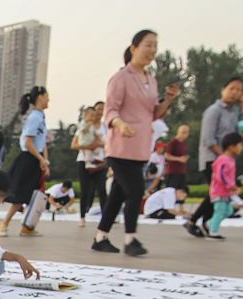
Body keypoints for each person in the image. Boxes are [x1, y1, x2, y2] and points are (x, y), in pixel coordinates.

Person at [92, 30, 179, 256]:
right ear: (134, 48)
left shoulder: (151, 80)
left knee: (118, 195)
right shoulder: (120, 78)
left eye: (155, 46)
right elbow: (110, 110)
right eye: (147, 45)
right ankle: (131, 239)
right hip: (120, 148)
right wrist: (120, 124)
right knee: (135, 190)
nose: (152, 50)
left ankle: (100, 237)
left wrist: (169, 99)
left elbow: (153, 114)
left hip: (140, 147)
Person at [186, 77, 243, 238]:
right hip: (212, 158)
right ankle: (194, 221)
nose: (234, 93)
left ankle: (206, 223)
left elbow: (242, 134)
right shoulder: (214, 110)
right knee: (216, 194)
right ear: (223, 89)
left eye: (239, 90)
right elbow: (208, 139)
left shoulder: (235, 112)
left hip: (224, 160)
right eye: (232, 88)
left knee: (217, 194)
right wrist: (224, 158)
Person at [0, 86, 50, 237]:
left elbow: (42, 142)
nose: (48, 99)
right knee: (21, 195)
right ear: (40, 97)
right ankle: (4, 223)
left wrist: (45, 161)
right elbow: (27, 142)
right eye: (46, 96)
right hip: (29, 159)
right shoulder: (35, 117)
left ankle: (28, 226)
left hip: (36, 158)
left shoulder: (41, 117)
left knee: (36, 195)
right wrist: (41, 159)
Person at [206, 132, 243, 239]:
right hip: (219, 191)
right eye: (240, 145)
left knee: (228, 211)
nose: (241, 148)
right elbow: (220, 175)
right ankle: (213, 232)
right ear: (232, 146)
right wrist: (231, 185)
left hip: (226, 192)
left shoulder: (231, 160)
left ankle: (211, 223)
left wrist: (232, 187)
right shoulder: (223, 160)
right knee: (220, 210)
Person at [74, 105, 106, 228]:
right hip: (84, 160)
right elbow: (74, 144)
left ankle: (105, 217)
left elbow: (106, 142)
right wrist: (88, 146)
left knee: (102, 189)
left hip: (99, 160)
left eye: (102, 109)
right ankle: (82, 216)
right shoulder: (84, 125)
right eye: (97, 109)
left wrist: (99, 144)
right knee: (85, 190)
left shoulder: (104, 127)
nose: (99, 112)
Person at [163, 124, 190, 190]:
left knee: (181, 191)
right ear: (178, 132)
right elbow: (166, 155)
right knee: (171, 191)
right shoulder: (173, 143)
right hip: (173, 171)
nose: (185, 134)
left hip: (181, 171)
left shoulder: (183, 143)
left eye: (187, 132)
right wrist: (179, 159)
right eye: (183, 132)